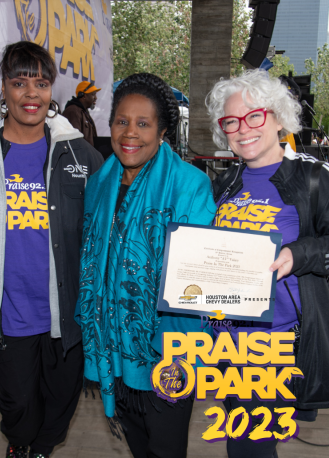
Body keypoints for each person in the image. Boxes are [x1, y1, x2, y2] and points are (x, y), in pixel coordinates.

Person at [0, 41, 103, 458]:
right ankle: (20, 444)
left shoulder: (80, 152)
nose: (31, 93)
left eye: (41, 83)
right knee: (20, 402)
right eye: (19, 81)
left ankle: (41, 449)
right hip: (8, 309)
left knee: (62, 396)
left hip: (65, 307)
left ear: (51, 90)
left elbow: (104, 225)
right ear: (3, 87)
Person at [77, 73, 216, 458]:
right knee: (139, 445)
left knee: (167, 449)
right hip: (114, 347)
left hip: (169, 350)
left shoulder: (190, 185)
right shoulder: (99, 183)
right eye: (122, 121)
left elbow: (197, 277)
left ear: (162, 132)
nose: (130, 133)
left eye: (143, 123)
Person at [207, 69, 329, 458]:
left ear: (278, 117)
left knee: (248, 446)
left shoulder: (312, 176)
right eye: (231, 121)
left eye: (255, 115)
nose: (243, 128)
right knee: (243, 441)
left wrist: (299, 254)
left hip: (277, 344)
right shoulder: (224, 183)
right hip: (224, 343)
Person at [62, 80, 100, 146]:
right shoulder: (73, 111)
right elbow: (74, 141)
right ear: (84, 96)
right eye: (93, 94)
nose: (96, 98)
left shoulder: (84, 112)